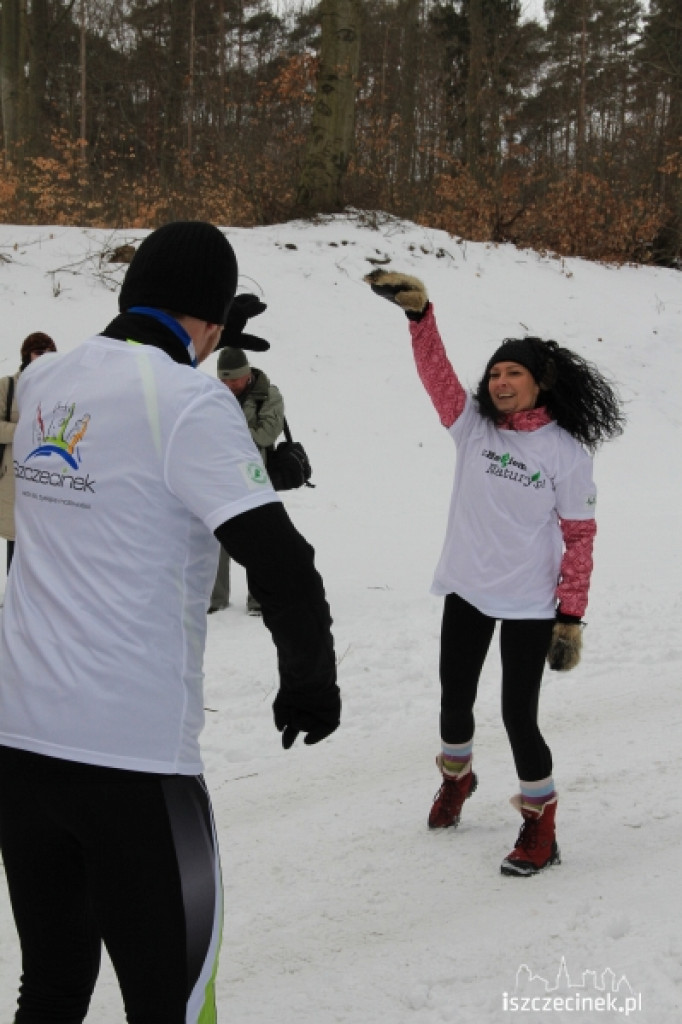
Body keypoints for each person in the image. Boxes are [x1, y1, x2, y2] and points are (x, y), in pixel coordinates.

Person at [0, 221, 340, 1024]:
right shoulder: (190, 400)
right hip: (133, 757)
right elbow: (282, 562)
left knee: (49, 986)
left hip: (19, 741)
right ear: (214, 322)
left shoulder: (44, 380)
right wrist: (310, 683)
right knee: (173, 1002)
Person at [365, 269, 624, 877]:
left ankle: (541, 828)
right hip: (467, 588)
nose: (500, 381)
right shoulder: (472, 427)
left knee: (517, 716)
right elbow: (437, 377)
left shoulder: (565, 451)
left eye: (514, 373)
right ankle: (458, 780)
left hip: (531, 600)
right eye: (496, 372)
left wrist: (571, 617)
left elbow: (579, 537)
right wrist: (420, 317)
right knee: (454, 704)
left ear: (539, 384)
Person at [209, 345, 285, 615]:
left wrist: (229, 428)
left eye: (234, 379)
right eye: (223, 379)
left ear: (247, 375)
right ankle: (214, 599)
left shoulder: (268, 395)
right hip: (220, 475)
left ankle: (259, 598)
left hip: (256, 478)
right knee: (217, 537)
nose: (228, 385)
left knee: (259, 537)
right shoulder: (211, 394)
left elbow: (266, 434)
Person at [0, 332, 57, 576]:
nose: (44, 358)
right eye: (39, 352)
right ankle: (14, 600)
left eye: (49, 353)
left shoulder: (62, 386)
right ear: (27, 355)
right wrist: (26, 431)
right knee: (17, 538)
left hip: (49, 474)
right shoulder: (8, 386)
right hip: (13, 475)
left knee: (46, 541)